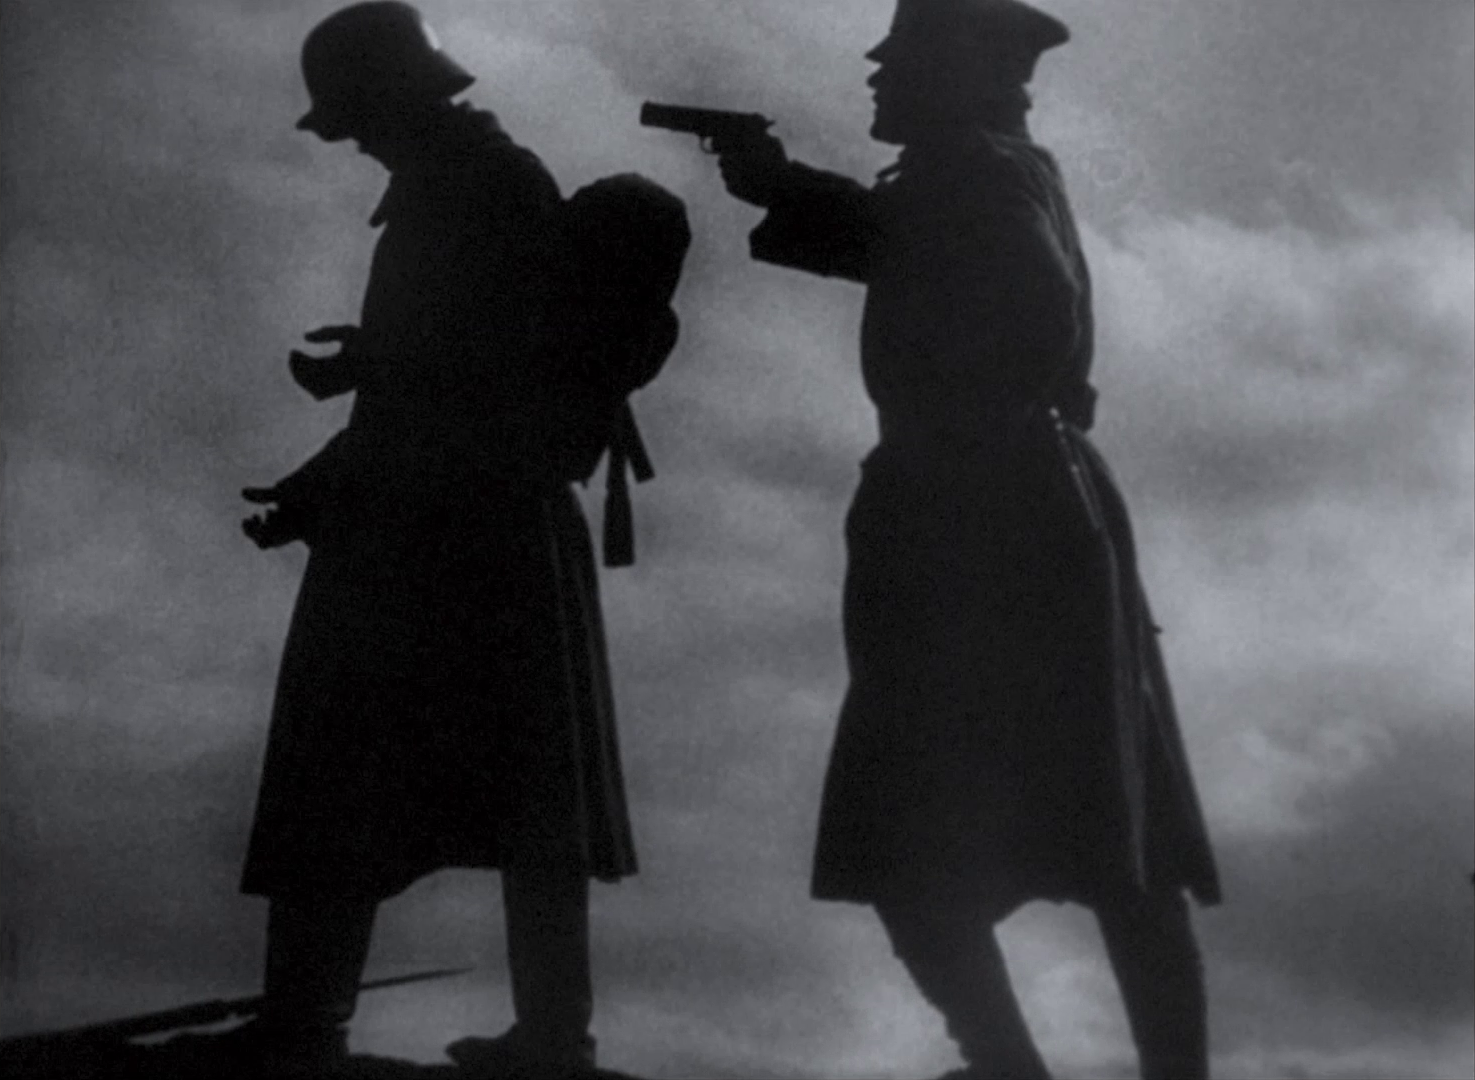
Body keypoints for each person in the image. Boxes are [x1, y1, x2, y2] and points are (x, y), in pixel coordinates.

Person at [709, 2, 1221, 1077]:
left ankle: (1006, 1066)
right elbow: (921, 254)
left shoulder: (972, 175)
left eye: (899, 60)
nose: (876, 75)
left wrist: (951, 444)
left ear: (954, 71)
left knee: (935, 835)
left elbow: (1019, 311)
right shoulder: (973, 173)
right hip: (1006, 502)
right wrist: (781, 186)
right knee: (1103, 836)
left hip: (980, 511)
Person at [231, 4, 640, 1073]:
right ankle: (527, 1033)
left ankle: (334, 1024)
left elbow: (495, 368)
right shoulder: (469, 186)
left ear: (393, 103)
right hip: (450, 523)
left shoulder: (483, 189)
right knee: (513, 786)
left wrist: (370, 371)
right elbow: (429, 386)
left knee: (385, 768)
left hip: (466, 530)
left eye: (357, 119)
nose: (354, 142)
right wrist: (321, 482)